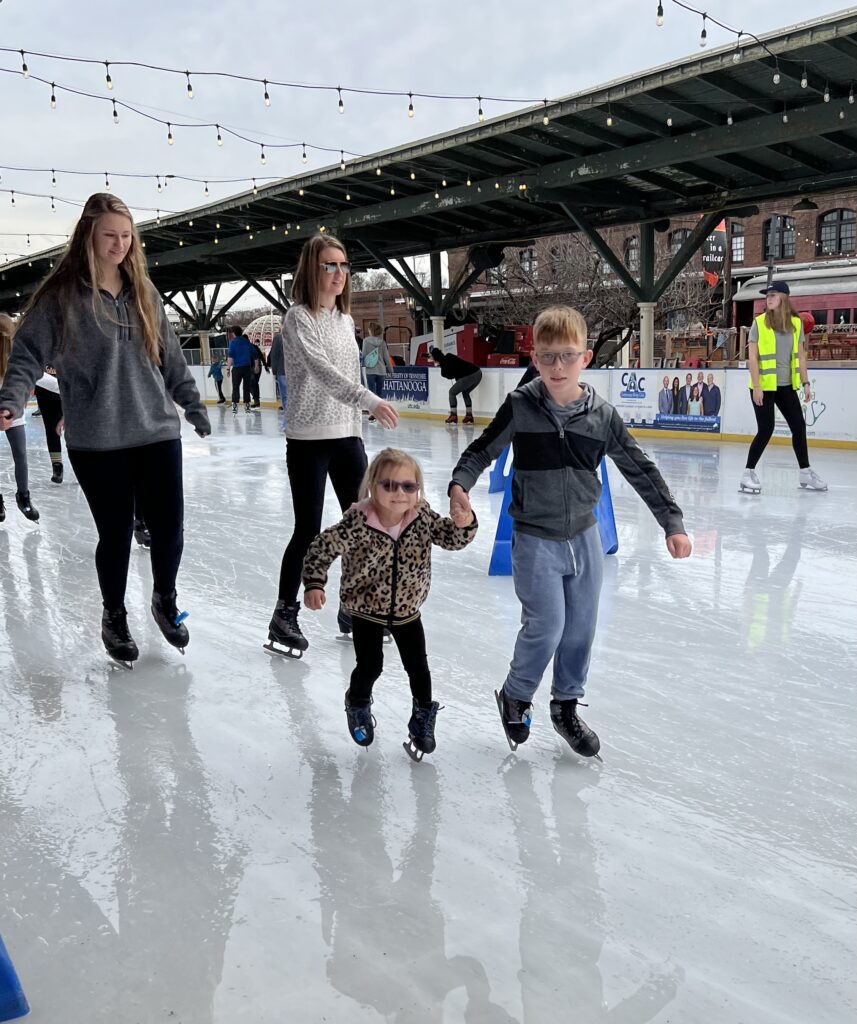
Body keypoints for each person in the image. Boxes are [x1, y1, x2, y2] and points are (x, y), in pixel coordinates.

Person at [448, 306, 692, 758]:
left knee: (580, 628)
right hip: (535, 538)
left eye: (567, 356)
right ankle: (516, 696)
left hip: (584, 537)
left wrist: (670, 522)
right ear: (534, 359)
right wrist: (460, 486)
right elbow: (482, 451)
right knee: (547, 625)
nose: (557, 367)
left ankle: (565, 706)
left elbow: (640, 468)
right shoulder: (521, 407)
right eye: (546, 357)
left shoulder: (601, 416)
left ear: (586, 357)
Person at [0, 192, 211, 667]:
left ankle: (165, 600)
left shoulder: (143, 290)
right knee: (115, 533)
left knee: (170, 529)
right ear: (89, 235)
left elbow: (170, 356)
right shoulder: (61, 298)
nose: (119, 244)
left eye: (126, 235)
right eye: (109, 235)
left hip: (156, 428)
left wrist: (191, 405)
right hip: (97, 439)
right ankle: (114, 615)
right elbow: (26, 356)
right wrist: (11, 401)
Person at [264, 233, 399, 658]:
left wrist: (360, 417)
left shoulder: (345, 321)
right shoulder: (298, 318)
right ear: (312, 269)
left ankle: (354, 609)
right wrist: (369, 400)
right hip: (308, 439)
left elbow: (351, 374)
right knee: (308, 529)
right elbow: (322, 372)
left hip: (348, 437)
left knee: (361, 526)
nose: (339, 274)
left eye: (343, 266)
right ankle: (285, 613)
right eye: (330, 265)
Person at [302, 447, 477, 757]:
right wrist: (315, 583)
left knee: (419, 667)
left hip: (408, 608)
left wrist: (465, 523)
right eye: (389, 485)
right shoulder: (358, 520)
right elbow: (322, 548)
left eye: (408, 486)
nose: (399, 493)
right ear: (373, 486)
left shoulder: (422, 515)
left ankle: (422, 717)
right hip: (366, 608)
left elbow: (451, 538)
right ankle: (357, 702)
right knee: (370, 665)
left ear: (417, 489)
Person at [740, 281, 827, 494]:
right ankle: (747, 473)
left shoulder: (796, 324)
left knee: (799, 427)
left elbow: (800, 357)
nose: (768, 298)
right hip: (764, 387)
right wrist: (758, 386)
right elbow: (752, 358)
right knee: (766, 429)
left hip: (787, 386)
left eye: (773, 295)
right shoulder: (758, 323)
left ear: (784, 298)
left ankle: (805, 471)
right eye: (767, 295)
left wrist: (806, 383)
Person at [0, 313, 39, 521]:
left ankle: (23, 496)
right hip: (11, 413)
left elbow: (38, 376)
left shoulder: (17, 360)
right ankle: (22, 497)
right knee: (21, 456)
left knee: (21, 455)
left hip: (13, 415)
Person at [431, 346, 482, 425]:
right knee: (465, 393)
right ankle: (469, 415)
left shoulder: (443, 370)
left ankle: (453, 415)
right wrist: (441, 363)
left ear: (436, 359)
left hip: (469, 375)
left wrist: (440, 364)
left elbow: (449, 376)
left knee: (452, 392)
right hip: (478, 373)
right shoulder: (449, 356)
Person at [34, 364, 65, 482]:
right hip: (45, 393)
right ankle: (57, 466)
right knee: (52, 428)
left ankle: (81, 465)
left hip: (68, 389)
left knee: (74, 429)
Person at [362, 321, 395, 420]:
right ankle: (381, 414)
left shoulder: (366, 341)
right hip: (381, 371)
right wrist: (391, 371)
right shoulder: (382, 342)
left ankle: (373, 413)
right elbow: (386, 358)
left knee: (372, 393)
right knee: (379, 393)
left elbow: (364, 355)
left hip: (370, 371)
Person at [226, 324, 254, 413]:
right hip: (247, 367)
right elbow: (254, 353)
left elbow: (231, 357)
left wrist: (228, 368)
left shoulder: (233, 343)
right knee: (246, 387)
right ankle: (247, 406)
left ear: (234, 333)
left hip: (237, 368)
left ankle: (235, 406)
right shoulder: (246, 342)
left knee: (235, 387)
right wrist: (256, 365)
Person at [268, 327, 287, 419]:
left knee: (285, 395)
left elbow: (274, 355)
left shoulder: (278, 338)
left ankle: (289, 414)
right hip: (297, 372)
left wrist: (274, 370)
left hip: (282, 371)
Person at [248, 337, 267, 408]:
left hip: (254, 368)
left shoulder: (251, 347)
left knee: (252, 384)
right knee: (253, 384)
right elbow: (261, 356)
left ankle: (256, 400)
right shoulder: (252, 346)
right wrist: (265, 366)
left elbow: (260, 356)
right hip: (256, 367)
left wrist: (265, 365)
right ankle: (256, 400)